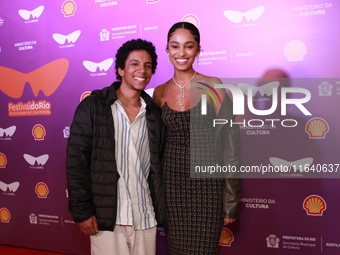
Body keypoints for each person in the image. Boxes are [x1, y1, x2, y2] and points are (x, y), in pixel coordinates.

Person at [66, 38, 166, 255]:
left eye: (148, 66)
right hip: (108, 218)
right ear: (121, 69)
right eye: (135, 64)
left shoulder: (154, 113)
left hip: (145, 216)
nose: (142, 70)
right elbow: (77, 163)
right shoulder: (93, 107)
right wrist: (82, 212)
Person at [153, 22, 242, 255]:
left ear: (198, 50)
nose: (181, 53)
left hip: (207, 185)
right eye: (175, 46)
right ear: (167, 49)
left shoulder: (214, 85)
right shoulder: (159, 92)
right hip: (172, 185)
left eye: (188, 46)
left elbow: (231, 144)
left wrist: (231, 200)